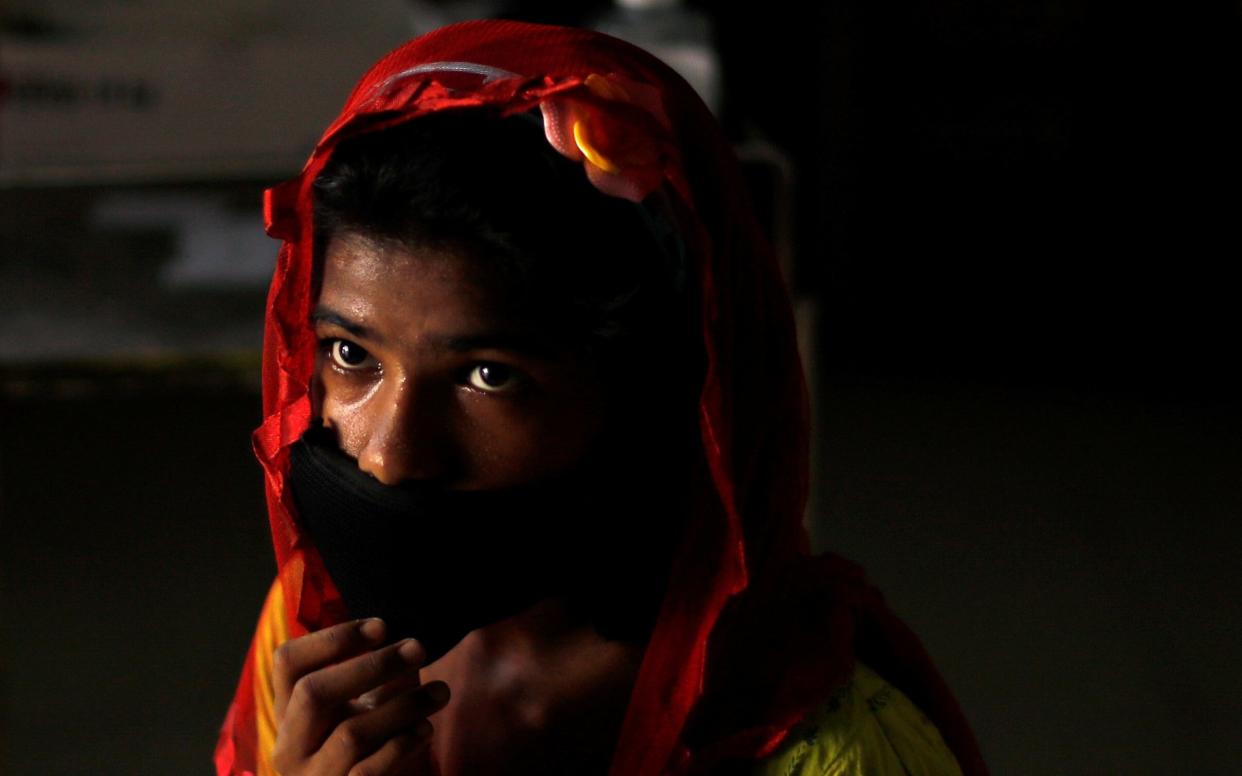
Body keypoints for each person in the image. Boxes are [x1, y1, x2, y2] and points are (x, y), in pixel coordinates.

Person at [215, 19, 988, 776]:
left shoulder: (825, 752)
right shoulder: (317, 640)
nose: (388, 455)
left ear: (647, 392)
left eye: (488, 375)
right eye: (351, 354)